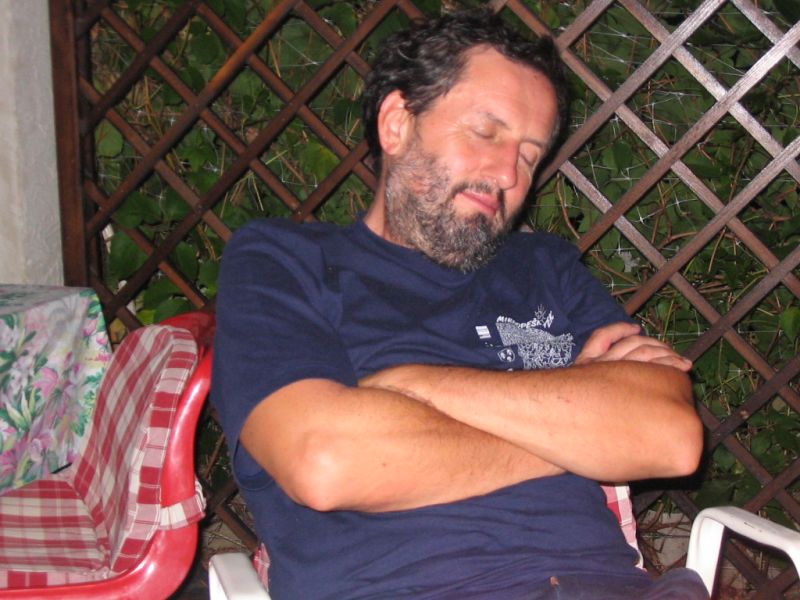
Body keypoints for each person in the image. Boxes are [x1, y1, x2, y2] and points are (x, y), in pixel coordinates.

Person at [212, 7, 706, 599]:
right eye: (486, 132)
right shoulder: (283, 261)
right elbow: (326, 462)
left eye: (529, 154)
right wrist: (581, 428)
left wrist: (416, 385)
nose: (508, 174)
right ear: (397, 124)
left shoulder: (545, 267)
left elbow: (670, 439)